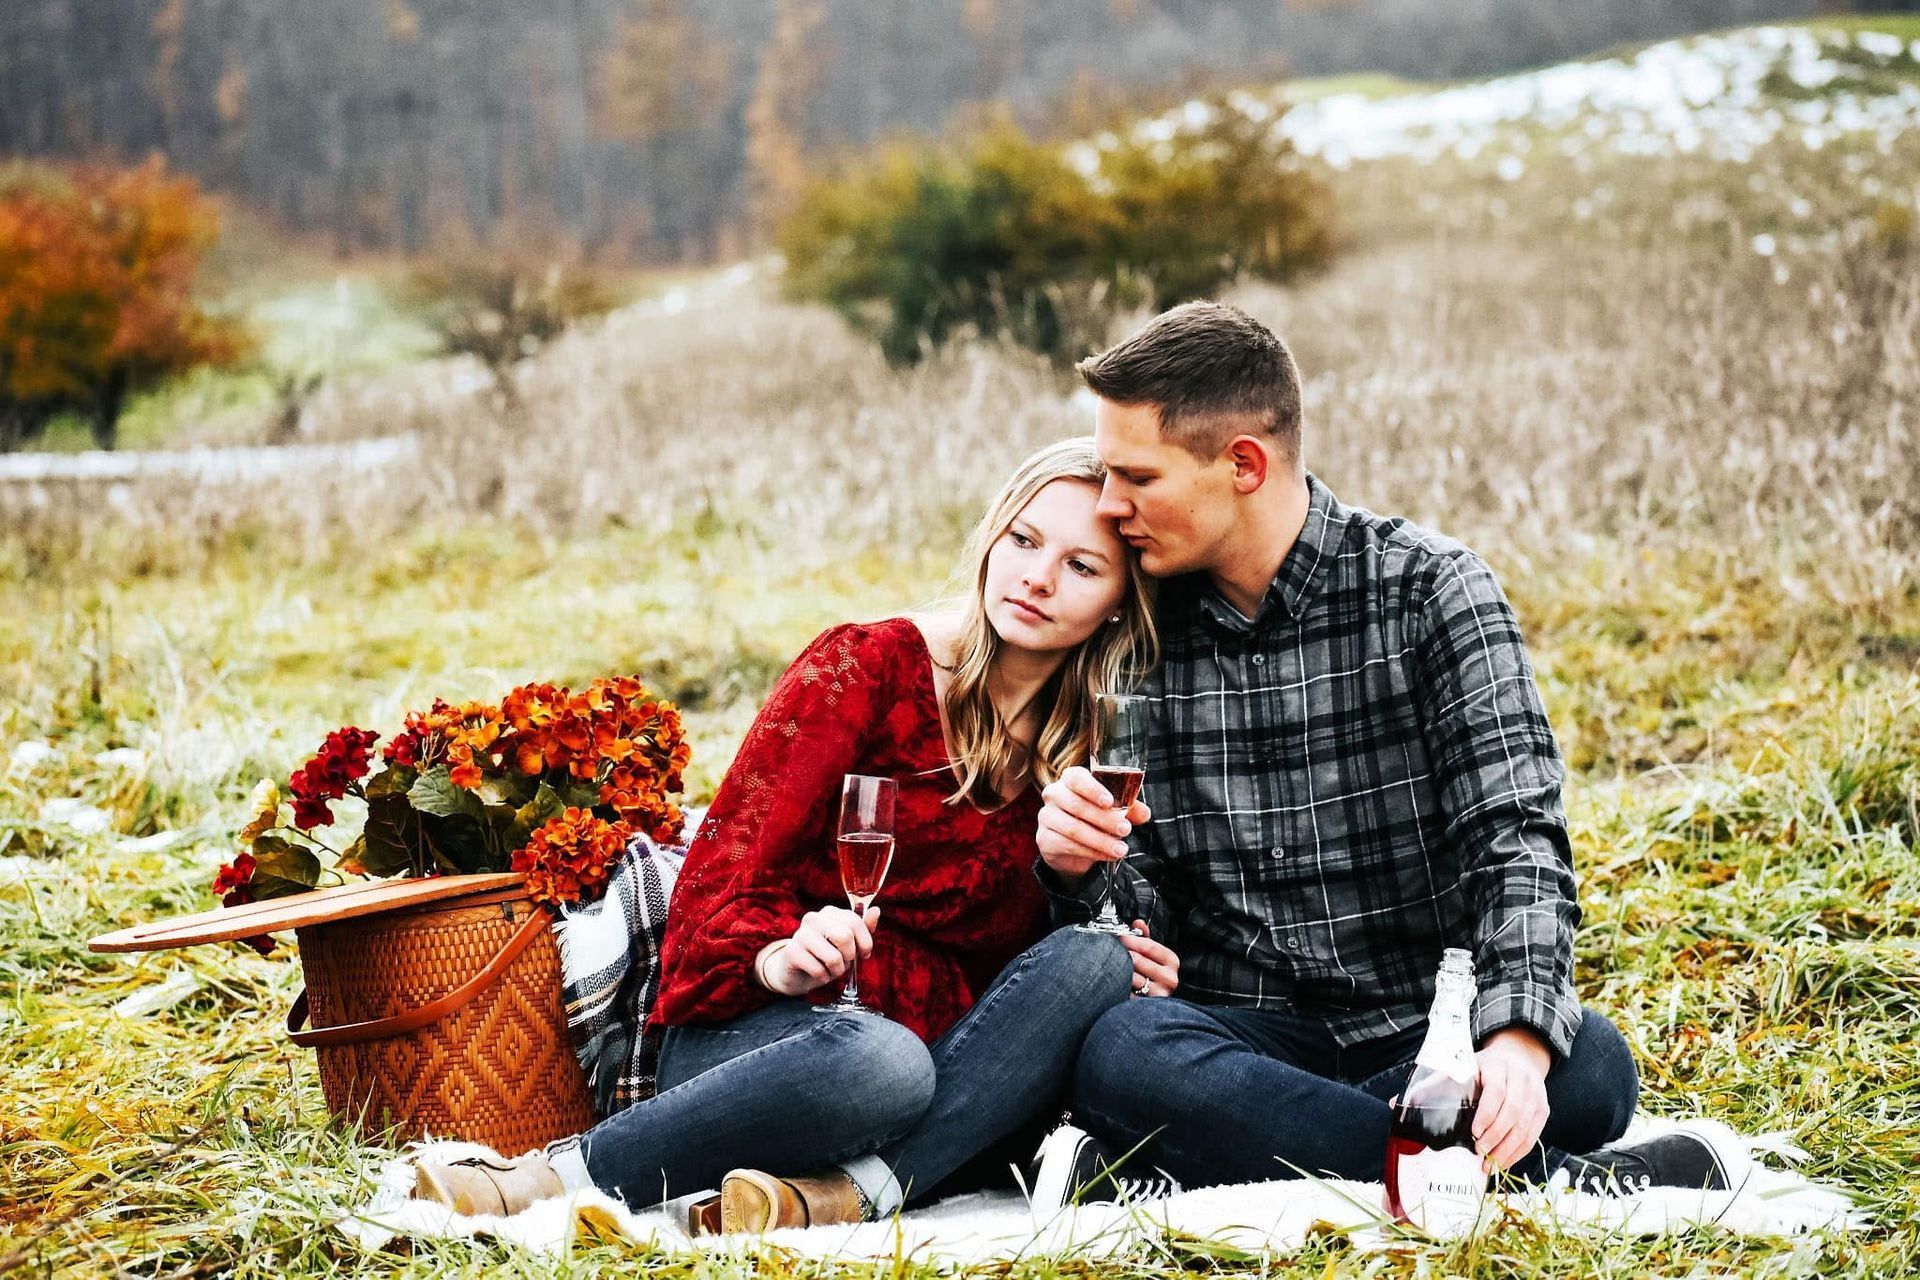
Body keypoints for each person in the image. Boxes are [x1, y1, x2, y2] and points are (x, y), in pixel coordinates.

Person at [1026, 302, 1739, 1208]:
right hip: (1248, 1034)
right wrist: (1082, 870)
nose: (1109, 504)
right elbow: (1148, 900)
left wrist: (1515, 1040)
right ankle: (1549, 1185)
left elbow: (1515, 837)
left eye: (1135, 476)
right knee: (1123, 1057)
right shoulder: (1139, 637)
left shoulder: (1432, 591)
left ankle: (1220, 1161)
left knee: (1587, 1063)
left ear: (1242, 463)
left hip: (1425, 1024)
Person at [410, 437, 1176, 1231]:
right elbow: (721, 879)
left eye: (1082, 567)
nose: (1038, 577)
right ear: (992, 537)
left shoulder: (1098, 747)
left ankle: (828, 1198)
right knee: (883, 1063)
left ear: (1121, 601)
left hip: (956, 1059)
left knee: (1096, 958)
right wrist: (775, 959)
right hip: (780, 1043)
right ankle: (558, 1177)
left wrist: (1089, 893)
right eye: (1023, 540)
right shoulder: (866, 667)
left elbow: (1093, 938)